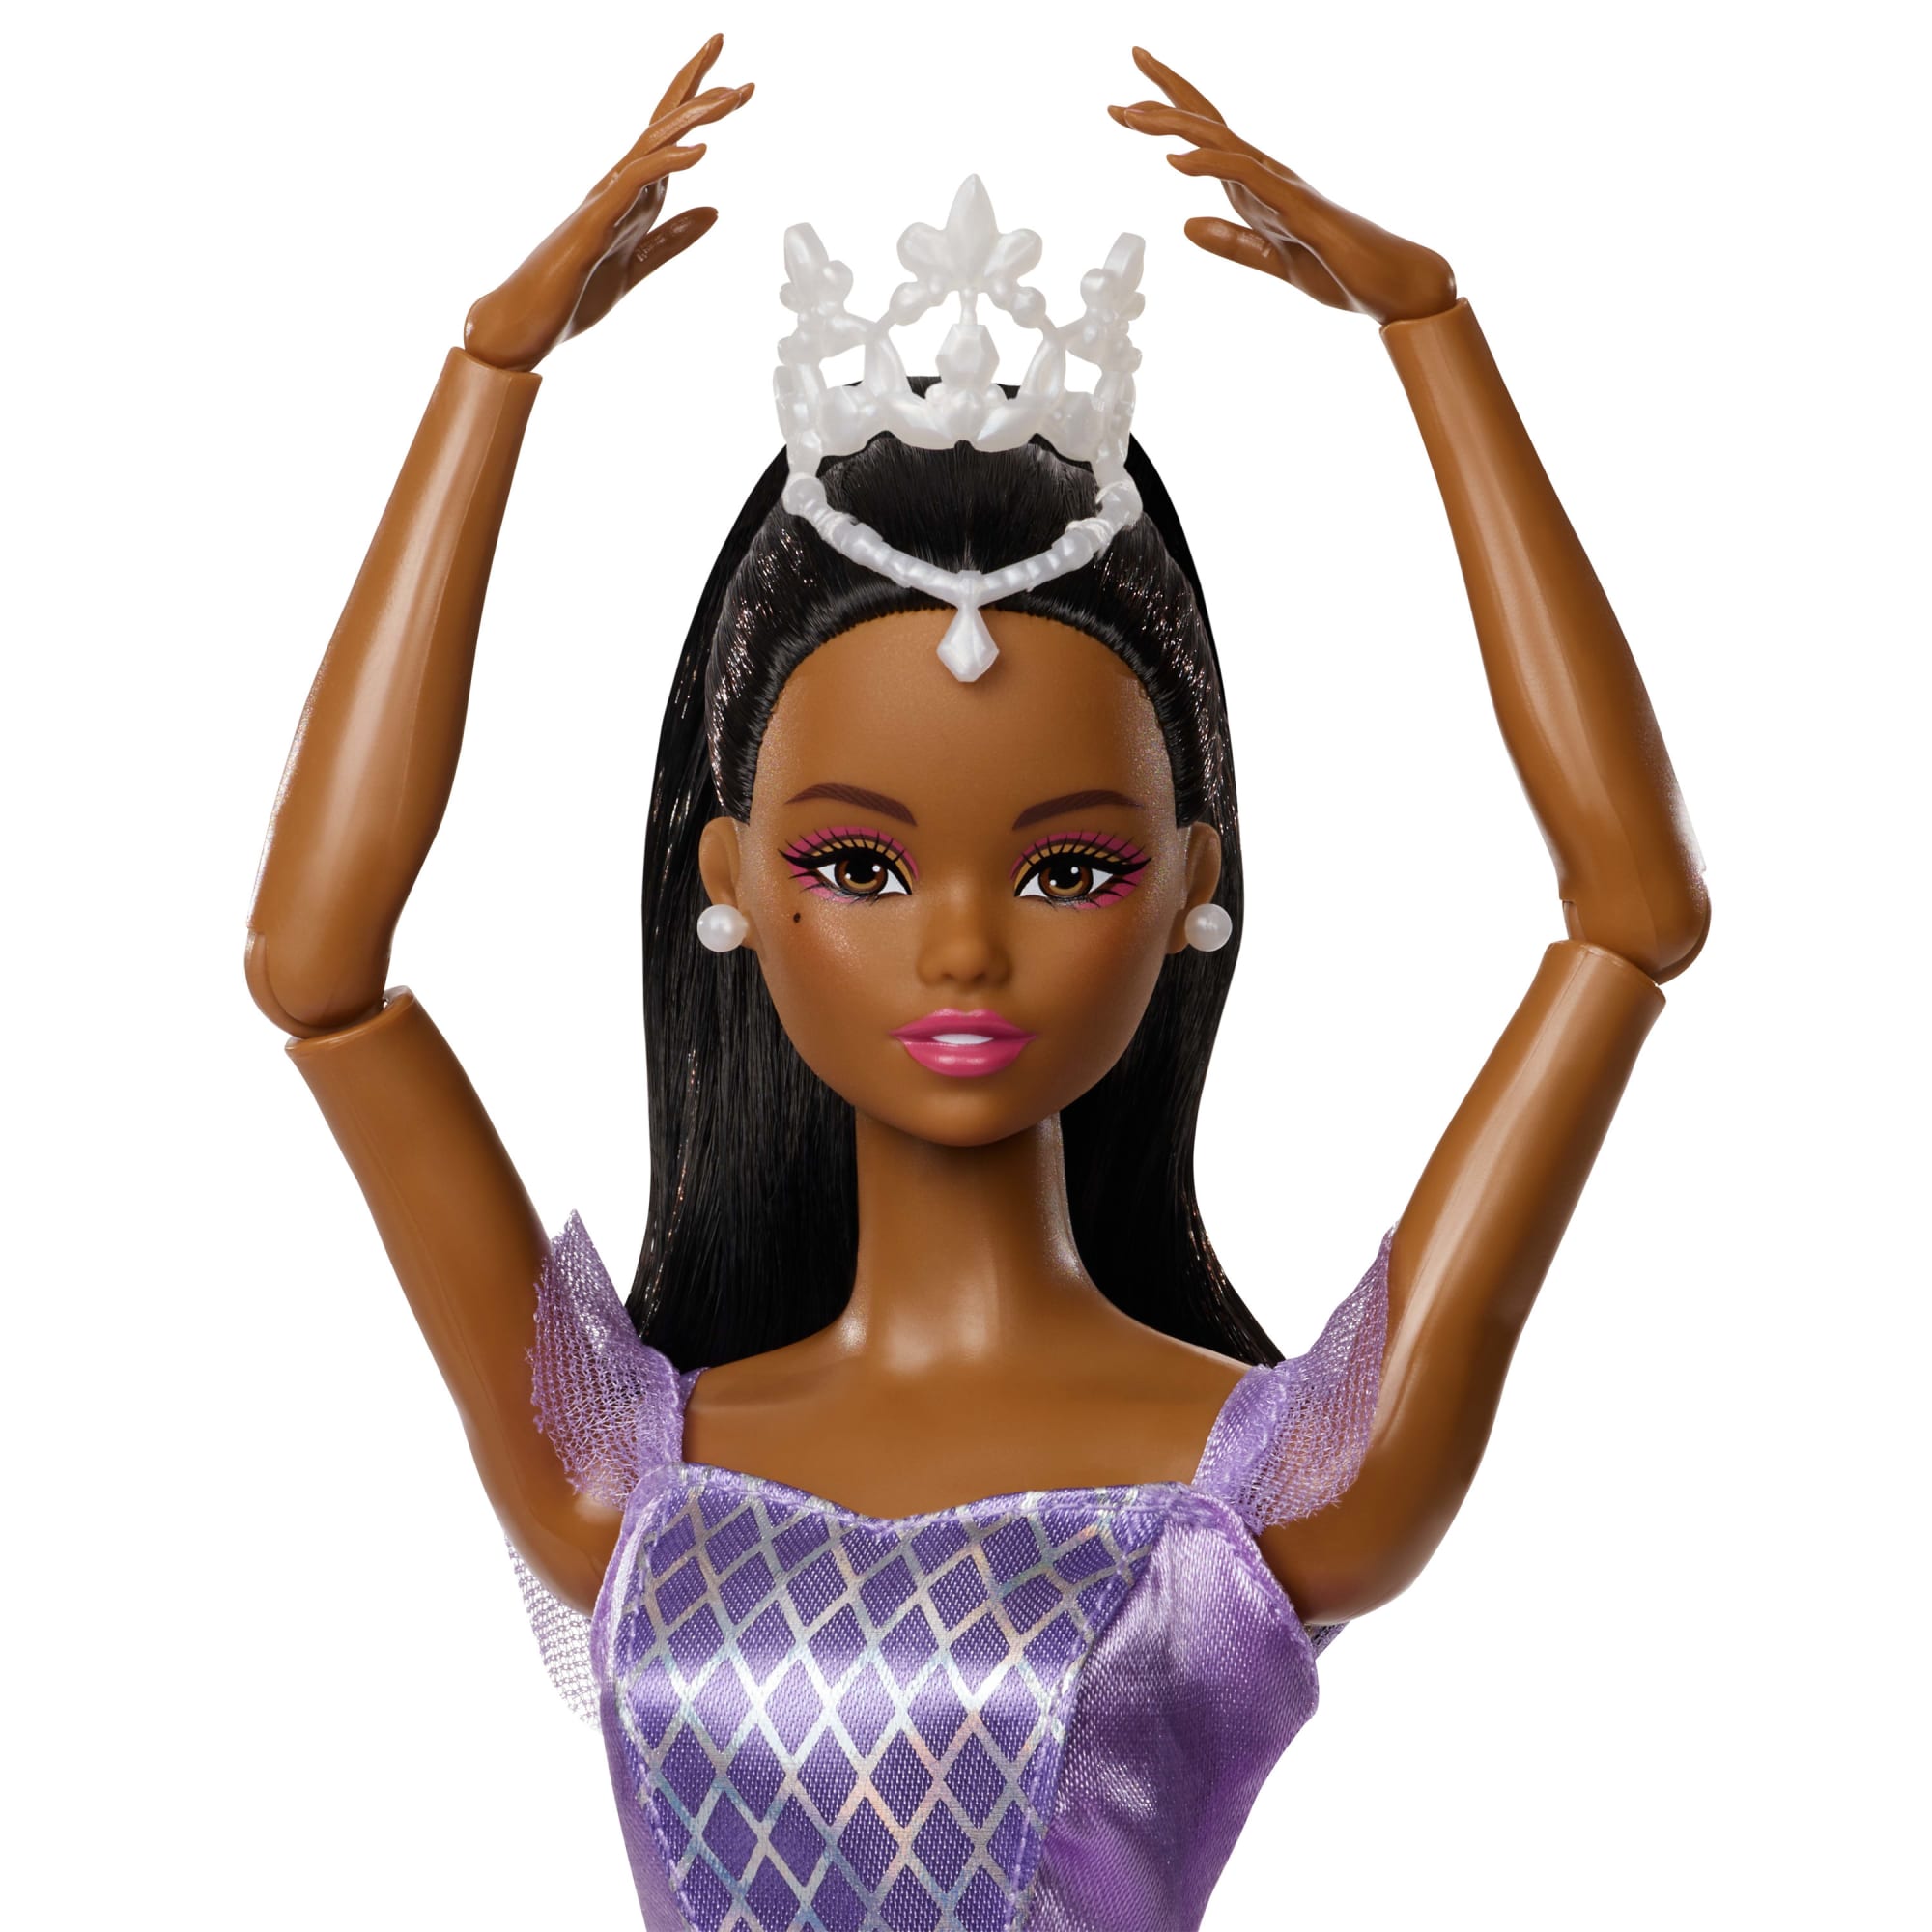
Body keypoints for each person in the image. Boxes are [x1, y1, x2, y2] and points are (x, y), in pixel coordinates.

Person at [245, 34, 1708, 1931]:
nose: (959, 947)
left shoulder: (1260, 1493)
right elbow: (317, 973)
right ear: (728, 886)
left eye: (1067, 866)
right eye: (856, 864)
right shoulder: (626, 1471)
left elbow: (1630, 911)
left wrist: (1429, 332)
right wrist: (488, 376)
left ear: (1189, 890)